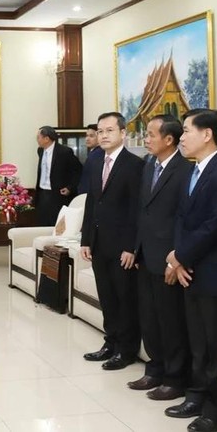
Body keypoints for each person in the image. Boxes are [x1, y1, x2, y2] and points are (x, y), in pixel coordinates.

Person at [163, 109, 217, 432]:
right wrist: (178, 260)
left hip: (215, 274)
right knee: (197, 341)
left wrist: (180, 256)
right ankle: (197, 395)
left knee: (216, 346)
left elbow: (215, 227)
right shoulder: (191, 172)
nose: (181, 137)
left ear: (207, 134)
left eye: (186, 131)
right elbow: (182, 220)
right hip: (190, 270)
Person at [127, 115, 192, 401]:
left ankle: (175, 378)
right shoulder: (149, 165)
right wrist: (136, 248)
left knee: (171, 321)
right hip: (146, 256)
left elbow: (184, 219)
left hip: (168, 259)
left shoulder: (185, 171)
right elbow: (143, 212)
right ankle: (154, 369)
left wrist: (174, 260)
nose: (146, 139)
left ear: (169, 139)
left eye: (152, 134)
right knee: (149, 318)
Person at [80, 111, 144, 371]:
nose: (103, 135)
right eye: (100, 131)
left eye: (109, 130)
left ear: (122, 134)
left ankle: (126, 350)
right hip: (98, 244)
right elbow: (91, 202)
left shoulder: (135, 165)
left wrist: (132, 247)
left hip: (122, 247)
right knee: (106, 296)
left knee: (124, 297)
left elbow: (137, 210)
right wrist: (86, 239)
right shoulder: (95, 162)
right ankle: (111, 342)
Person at [33, 125, 82, 226]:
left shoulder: (64, 152)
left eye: (38, 137)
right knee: (42, 223)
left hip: (57, 195)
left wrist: (70, 187)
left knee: (56, 224)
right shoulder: (40, 151)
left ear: (47, 139)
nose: (37, 139)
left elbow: (78, 171)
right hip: (42, 194)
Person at [78, 123, 102, 195]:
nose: (87, 139)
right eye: (86, 136)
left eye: (91, 136)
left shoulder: (98, 154)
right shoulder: (93, 153)